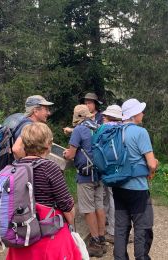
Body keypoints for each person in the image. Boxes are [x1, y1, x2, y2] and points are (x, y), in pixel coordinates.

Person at [6, 122, 81, 260]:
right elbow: (67, 206)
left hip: (22, 236)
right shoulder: (50, 168)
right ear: (49, 144)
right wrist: (71, 223)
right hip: (47, 237)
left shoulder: (14, 167)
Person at [112, 98, 159, 260]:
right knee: (142, 227)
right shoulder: (140, 132)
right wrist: (154, 165)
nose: (142, 113)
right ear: (134, 114)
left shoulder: (115, 131)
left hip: (118, 187)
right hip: (138, 189)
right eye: (140, 111)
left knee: (120, 228)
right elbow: (151, 164)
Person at [63, 104, 107, 257]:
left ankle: (94, 242)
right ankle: (102, 239)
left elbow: (71, 154)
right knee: (99, 206)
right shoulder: (99, 127)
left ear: (77, 117)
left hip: (85, 175)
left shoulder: (79, 130)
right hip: (100, 173)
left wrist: (66, 153)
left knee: (88, 209)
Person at [96, 105, 123, 244]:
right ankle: (117, 228)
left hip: (105, 168)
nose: (103, 117)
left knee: (109, 198)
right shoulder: (122, 128)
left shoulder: (103, 128)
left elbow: (95, 145)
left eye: (106, 115)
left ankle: (111, 230)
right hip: (120, 169)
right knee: (115, 198)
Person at [12, 95, 53, 159]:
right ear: (35, 111)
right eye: (46, 109)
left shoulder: (23, 121)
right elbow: (17, 149)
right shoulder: (28, 126)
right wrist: (27, 165)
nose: (49, 113)